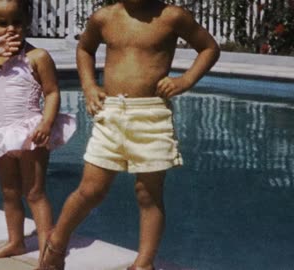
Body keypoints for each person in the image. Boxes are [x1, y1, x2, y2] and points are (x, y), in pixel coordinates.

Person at [38, 0, 220, 270]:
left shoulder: (172, 17)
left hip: (151, 115)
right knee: (91, 190)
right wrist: (88, 85)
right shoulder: (105, 17)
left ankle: (143, 264)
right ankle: (56, 245)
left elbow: (209, 48)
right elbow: (85, 48)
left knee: (149, 194)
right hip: (111, 114)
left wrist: (185, 80)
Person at [0, 0, 76, 263]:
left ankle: (48, 254)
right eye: (2, 23)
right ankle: (16, 242)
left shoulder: (37, 56)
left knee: (34, 192)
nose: (11, 29)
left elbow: (53, 92)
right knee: (9, 191)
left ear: (26, 22)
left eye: (17, 22)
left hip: (30, 134)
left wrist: (46, 123)